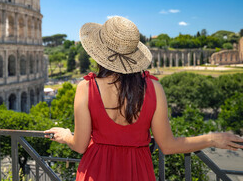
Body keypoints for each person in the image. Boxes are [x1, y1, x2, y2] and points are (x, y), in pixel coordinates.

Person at [44, 16, 243, 181]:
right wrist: (212, 138)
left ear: (98, 52)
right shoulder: (154, 88)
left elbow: (79, 145)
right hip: (138, 172)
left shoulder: (85, 88)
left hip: (95, 172)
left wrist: (65, 135)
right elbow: (168, 145)